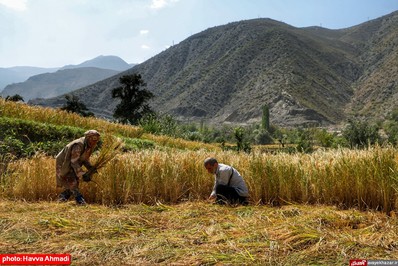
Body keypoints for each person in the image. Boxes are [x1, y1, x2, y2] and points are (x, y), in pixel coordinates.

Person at [55, 130, 100, 205]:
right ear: (88, 138)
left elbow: (84, 159)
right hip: (64, 162)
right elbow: (74, 162)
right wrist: (83, 174)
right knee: (73, 181)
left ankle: (62, 198)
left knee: (73, 181)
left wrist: (90, 168)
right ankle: (80, 201)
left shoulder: (89, 146)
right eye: (94, 139)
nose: (95, 142)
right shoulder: (78, 145)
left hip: (73, 162)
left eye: (97, 140)